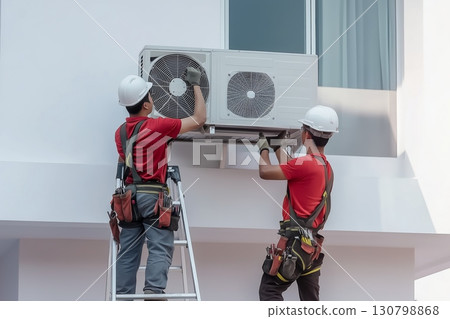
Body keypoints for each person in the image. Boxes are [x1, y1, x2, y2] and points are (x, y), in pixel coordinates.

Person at [114, 68, 206, 299]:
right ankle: (153, 297)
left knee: (127, 253)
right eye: (150, 96)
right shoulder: (158, 126)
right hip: (153, 196)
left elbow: (124, 161)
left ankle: (122, 299)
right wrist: (196, 84)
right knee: (160, 248)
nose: (153, 99)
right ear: (145, 105)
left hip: (129, 199)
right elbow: (199, 119)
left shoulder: (120, 133)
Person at [257, 105, 339, 301]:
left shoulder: (305, 164)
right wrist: (276, 146)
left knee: (269, 291)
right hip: (311, 250)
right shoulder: (326, 168)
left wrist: (263, 148)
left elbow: (265, 172)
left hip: (295, 245)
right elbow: (291, 169)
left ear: (306, 135)